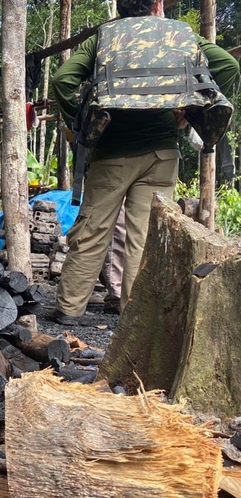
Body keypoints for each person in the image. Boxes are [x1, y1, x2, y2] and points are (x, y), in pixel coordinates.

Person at [51, 0, 239, 325]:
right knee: (145, 236)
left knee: (92, 231)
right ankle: (133, 317)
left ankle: (69, 309)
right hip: (162, 153)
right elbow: (228, 66)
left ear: (120, 7)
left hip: (111, 152)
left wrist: (86, 121)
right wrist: (187, 105)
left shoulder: (104, 35)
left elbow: (63, 79)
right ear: (157, 4)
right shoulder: (180, 34)